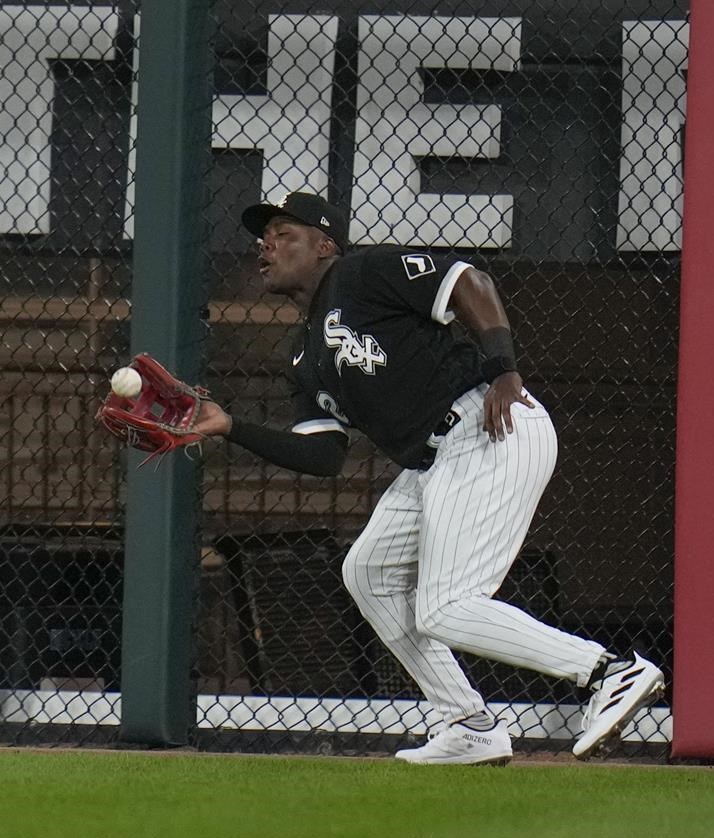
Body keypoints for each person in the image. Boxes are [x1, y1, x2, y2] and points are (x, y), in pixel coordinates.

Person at [193, 192, 664, 765]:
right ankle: (469, 724)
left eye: (283, 232)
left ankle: (609, 671)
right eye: (262, 237)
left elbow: (471, 282)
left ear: (324, 245)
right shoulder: (305, 355)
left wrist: (504, 369)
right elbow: (323, 457)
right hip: (435, 460)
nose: (265, 244)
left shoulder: (360, 273)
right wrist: (229, 426)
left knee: (445, 606)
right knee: (367, 572)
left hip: (489, 423)